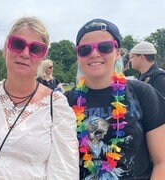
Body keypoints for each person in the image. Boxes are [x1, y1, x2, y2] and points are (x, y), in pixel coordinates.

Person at [0, 16, 79, 179]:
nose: (25, 53)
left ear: (42, 57)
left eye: (35, 49)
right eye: (17, 44)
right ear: (5, 48)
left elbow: (64, 173)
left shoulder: (57, 106)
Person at [65, 18, 165, 179]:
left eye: (104, 47)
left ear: (117, 52)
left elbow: (162, 162)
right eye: (85, 49)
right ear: (78, 55)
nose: (94, 54)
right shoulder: (66, 102)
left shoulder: (142, 93)